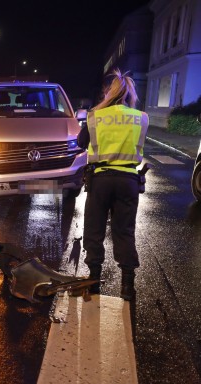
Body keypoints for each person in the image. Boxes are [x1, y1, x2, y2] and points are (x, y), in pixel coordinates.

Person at [77, 69, 149, 301]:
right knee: (124, 231)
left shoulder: (95, 116)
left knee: (95, 229)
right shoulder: (141, 117)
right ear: (130, 94)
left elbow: (81, 143)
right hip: (128, 179)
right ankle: (128, 286)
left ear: (107, 93)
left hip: (101, 180)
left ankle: (94, 281)